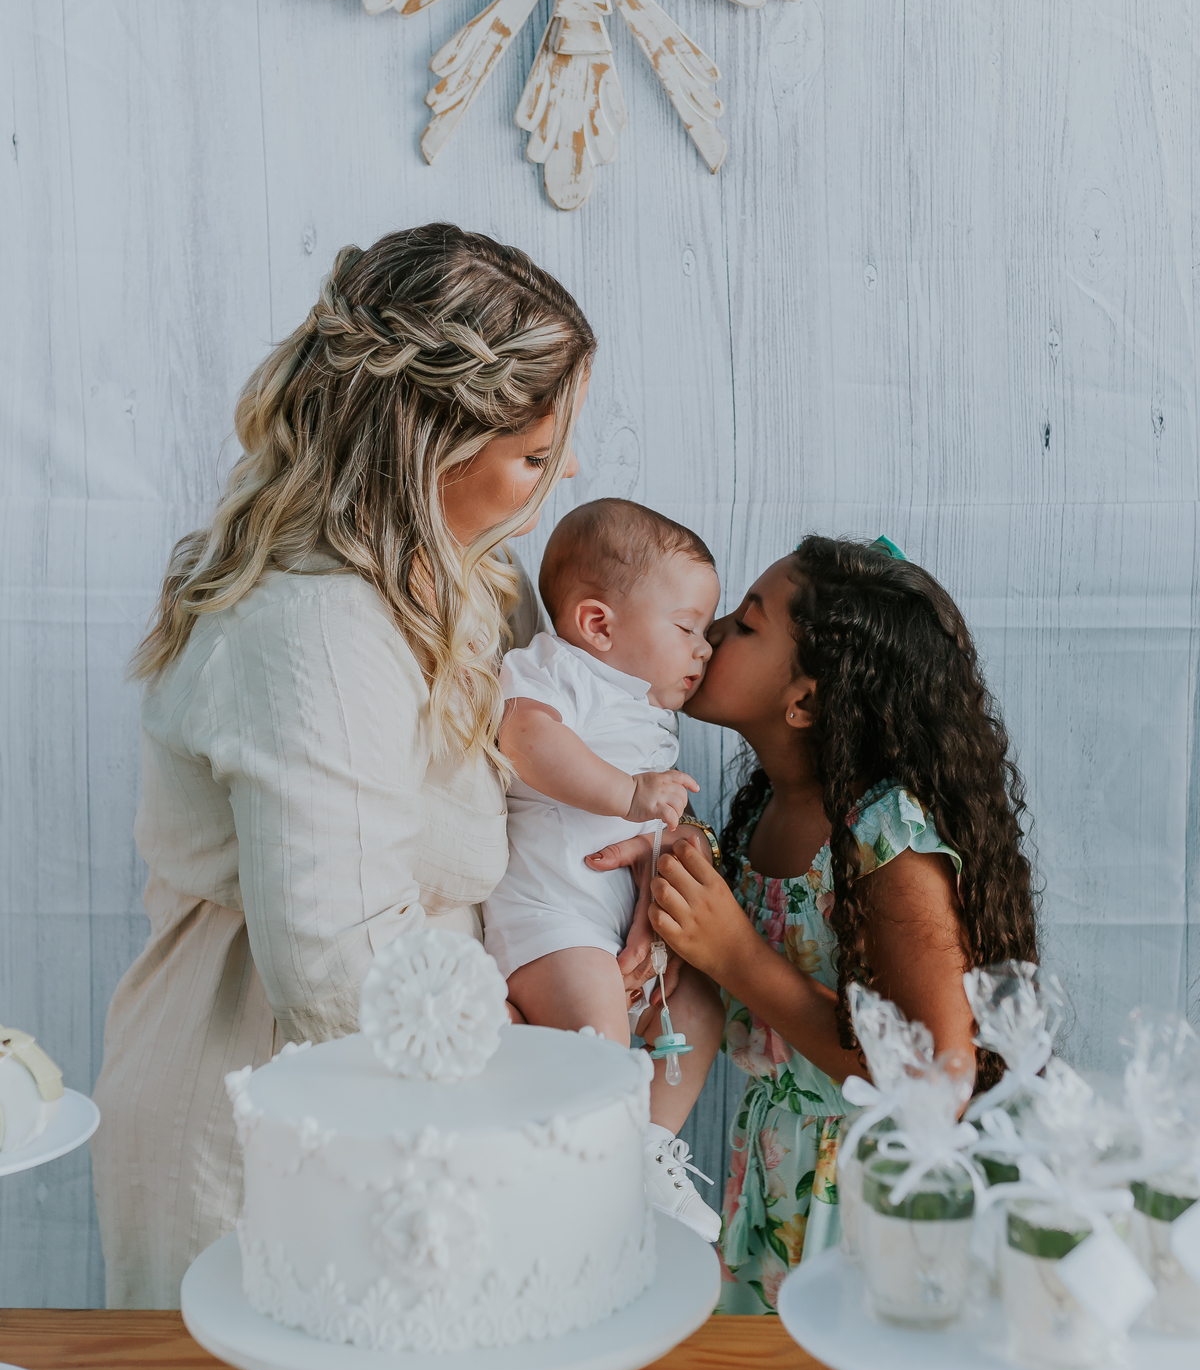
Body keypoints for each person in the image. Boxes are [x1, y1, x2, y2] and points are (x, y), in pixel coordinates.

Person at [91, 224, 595, 1306]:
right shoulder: (315, 625)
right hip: (273, 1122)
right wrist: (551, 1050)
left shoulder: (472, 582)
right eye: (535, 455)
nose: (563, 476)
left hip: (416, 1099)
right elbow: (338, 968)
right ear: (430, 445)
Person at [587, 535, 1038, 1314]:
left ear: (804, 700)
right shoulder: (765, 807)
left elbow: (940, 1076)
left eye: (745, 623)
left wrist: (736, 955)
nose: (708, 633)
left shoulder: (886, 838)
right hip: (775, 1178)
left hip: (867, 1203)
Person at [482, 499, 727, 1239]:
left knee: (700, 1004)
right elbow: (525, 737)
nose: (705, 650)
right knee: (600, 1038)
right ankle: (595, 1181)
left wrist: (669, 840)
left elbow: (661, 824)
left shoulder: (649, 714)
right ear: (598, 624)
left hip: (616, 931)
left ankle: (647, 1145)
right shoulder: (560, 670)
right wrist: (629, 794)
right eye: (687, 628)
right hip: (554, 923)